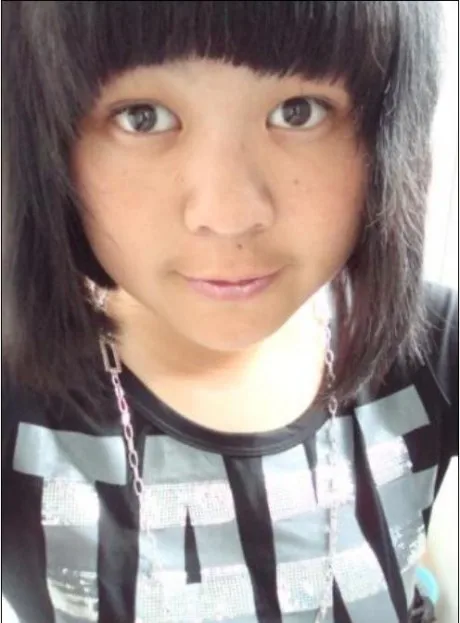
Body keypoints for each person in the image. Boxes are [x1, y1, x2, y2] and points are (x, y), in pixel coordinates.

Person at [1, 2, 457, 622]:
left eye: (298, 111)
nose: (228, 214)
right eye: (142, 117)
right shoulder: (18, 394)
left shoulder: (433, 344)